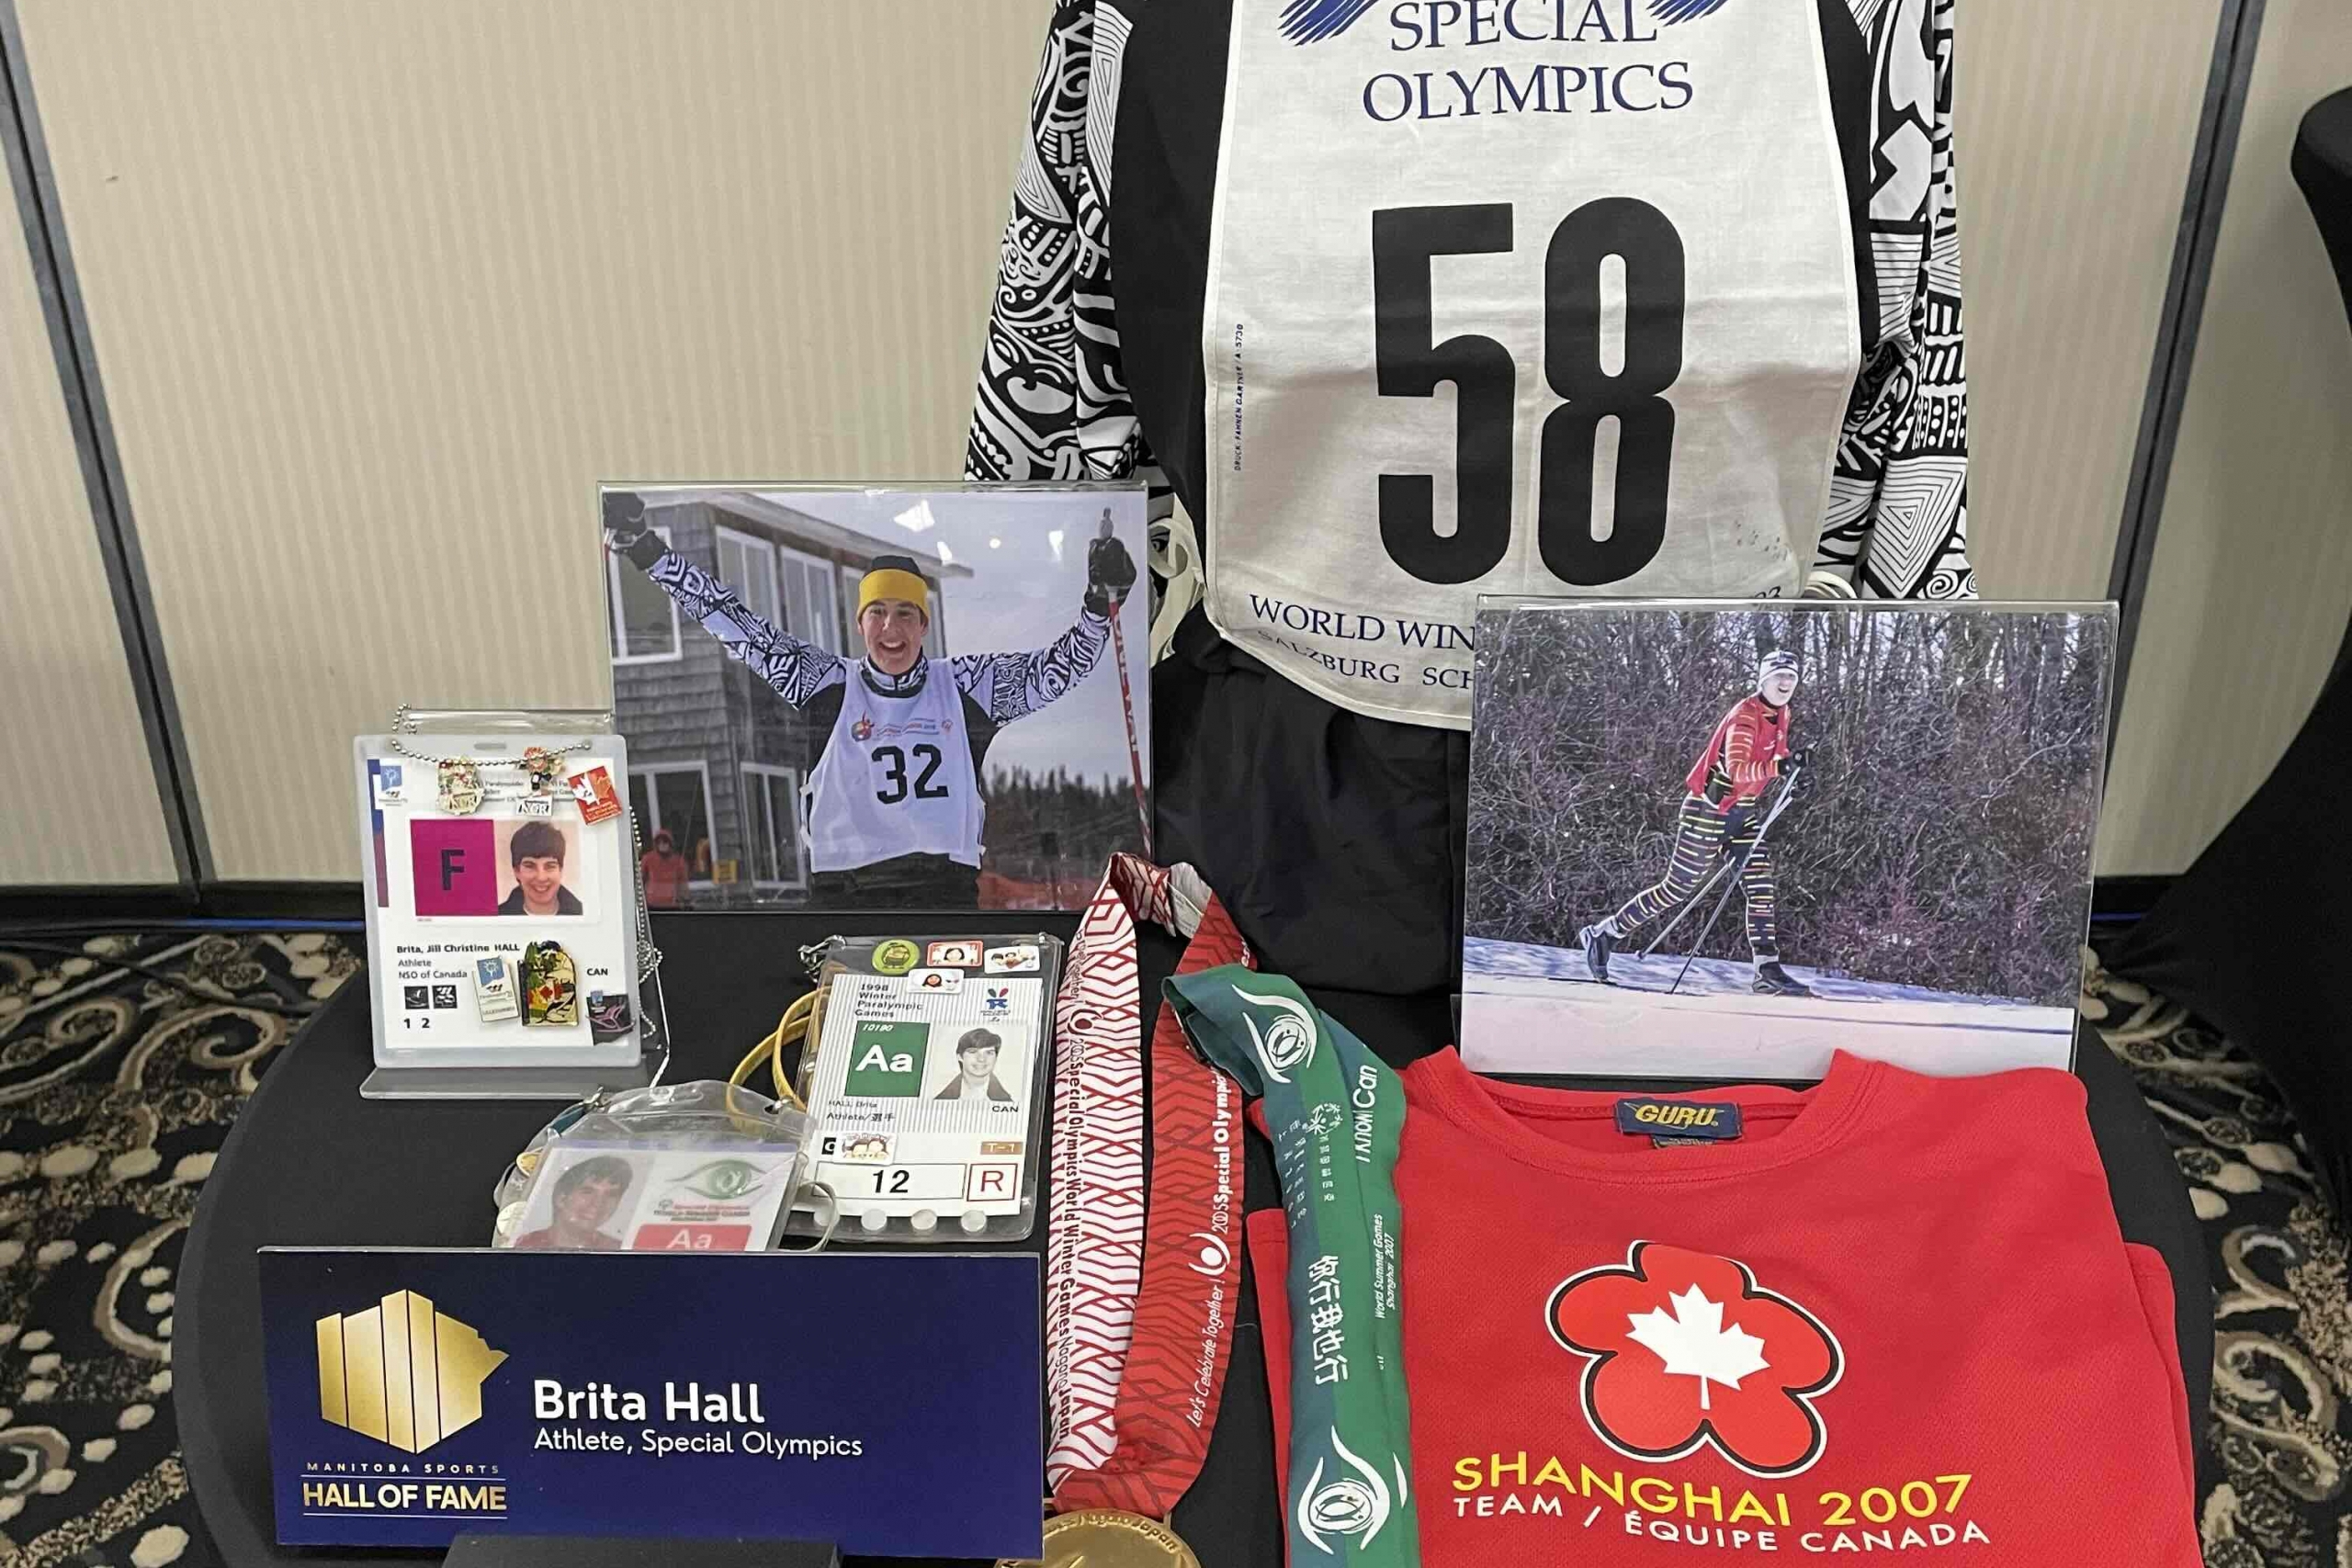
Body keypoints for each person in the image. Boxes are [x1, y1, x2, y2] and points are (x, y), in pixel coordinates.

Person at [605, 495, 1136, 908]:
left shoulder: (966, 685)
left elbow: (1057, 670)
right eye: (877, 612)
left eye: (906, 613)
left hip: (942, 892)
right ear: (860, 623)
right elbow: (735, 623)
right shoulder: (827, 684)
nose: (891, 627)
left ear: (924, 625)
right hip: (846, 894)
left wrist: (1098, 604)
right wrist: (646, 548)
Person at [1579, 650, 1815, 998]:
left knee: (1761, 886)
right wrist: (1780, 768)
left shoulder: (1781, 713)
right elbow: (1737, 770)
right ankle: (1604, 933)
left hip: (1743, 811)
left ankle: (1766, 969)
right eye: (1778, 676)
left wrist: (1792, 770)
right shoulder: (1745, 717)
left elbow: (1772, 756)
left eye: (1791, 678)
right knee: (1677, 887)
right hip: (1708, 809)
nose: (1785, 683)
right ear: (1762, 679)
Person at [512, 1155, 633, 1249]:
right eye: (587, 1191)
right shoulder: (525, 1246)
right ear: (561, 1199)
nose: (598, 1203)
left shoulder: (621, 1249)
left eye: (610, 1195)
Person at [498, 819, 583, 917]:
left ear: (561, 870)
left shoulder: (582, 913)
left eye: (550, 866)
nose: (541, 877)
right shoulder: (496, 917)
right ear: (517, 871)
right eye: (530, 866)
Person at [933, 1028, 1014, 1101]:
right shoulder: (941, 1099)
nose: (981, 1059)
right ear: (960, 1057)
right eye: (973, 1052)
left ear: (996, 1058)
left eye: (989, 1053)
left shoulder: (1008, 1101)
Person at [639, 829, 689, 910]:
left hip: (672, 905)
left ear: (670, 844)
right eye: (659, 842)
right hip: (652, 905)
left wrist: (685, 900)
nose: (662, 844)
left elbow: (683, 883)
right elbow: (641, 881)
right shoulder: (648, 859)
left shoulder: (679, 861)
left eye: (665, 842)